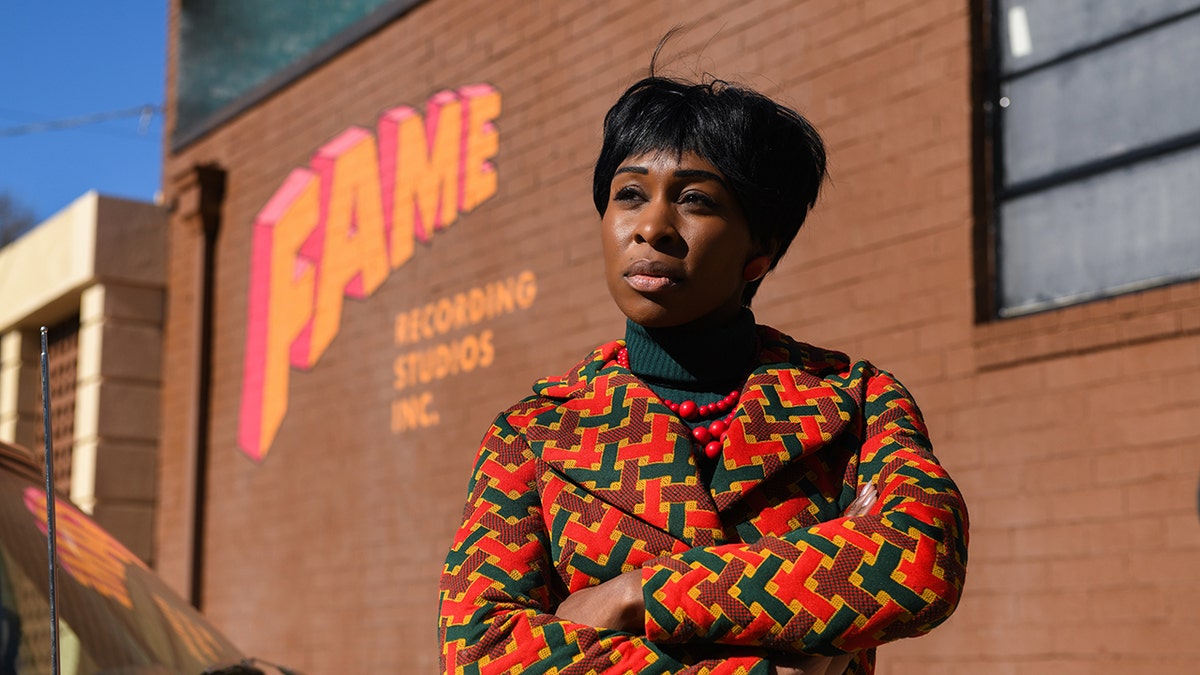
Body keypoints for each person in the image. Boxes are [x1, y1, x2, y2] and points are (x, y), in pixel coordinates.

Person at [438, 72, 969, 675]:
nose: (652, 228)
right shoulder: (533, 434)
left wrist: (634, 596)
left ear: (761, 248)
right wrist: (788, 657)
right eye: (629, 195)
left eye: (695, 200)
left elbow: (920, 562)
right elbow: (480, 653)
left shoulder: (856, 401)